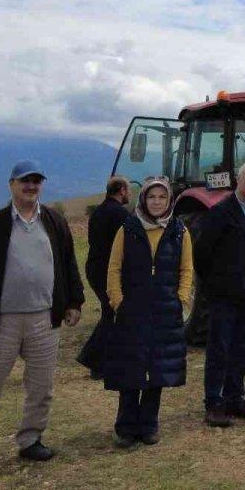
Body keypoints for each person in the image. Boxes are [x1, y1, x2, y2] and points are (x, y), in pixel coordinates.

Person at [0, 161, 84, 481]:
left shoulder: (54, 221)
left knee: (41, 387)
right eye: (25, 181)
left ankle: (30, 440)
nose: (31, 186)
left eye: (36, 181)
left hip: (44, 319)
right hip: (1, 321)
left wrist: (73, 301)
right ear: (11, 184)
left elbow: (68, 262)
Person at [102, 177, 192, 447]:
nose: (156, 202)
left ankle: (149, 425)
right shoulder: (127, 229)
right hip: (133, 310)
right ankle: (126, 427)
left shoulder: (179, 231)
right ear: (143, 200)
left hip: (165, 310)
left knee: (158, 369)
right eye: (151, 197)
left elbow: (186, 269)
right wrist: (117, 300)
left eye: (161, 198)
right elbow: (114, 268)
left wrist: (181, 298)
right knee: (131, 368)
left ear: (169, 201)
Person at [194, 161, 245, 427]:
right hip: (226, 297)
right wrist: (216, 288)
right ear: (239, 179)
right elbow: (202, 254)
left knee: (243, 350)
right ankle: (214, 404)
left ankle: (234, 397)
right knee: (220, 349)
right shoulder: (221, 212)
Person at [77, 175, 131, 380]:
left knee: (110, 312)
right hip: (107, 271)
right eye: (128, 190)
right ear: (122, 191)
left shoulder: (98, 212)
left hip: (94, 268)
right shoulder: (120, 214)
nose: (130, 194)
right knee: (112, 313)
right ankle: (94, 360)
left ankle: (102, 360)